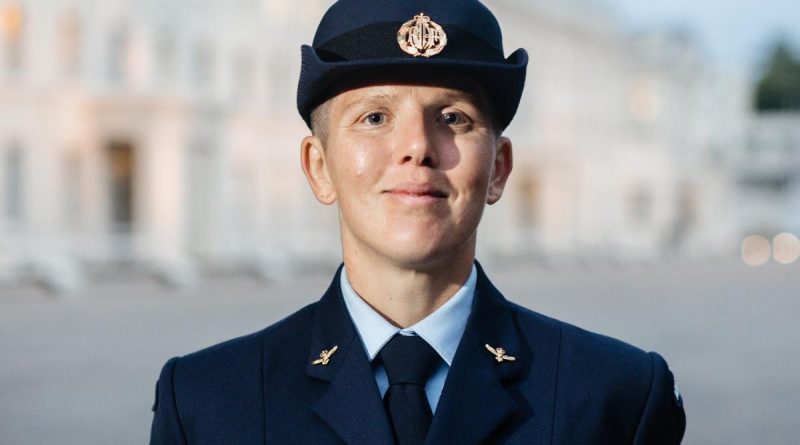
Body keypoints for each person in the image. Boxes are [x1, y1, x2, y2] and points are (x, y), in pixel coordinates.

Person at [149, 0, 686, 444]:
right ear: (319, 167)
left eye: (453, 117)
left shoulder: (615, 399)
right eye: (375, 117)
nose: (417, 148)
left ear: (498, 169)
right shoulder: (208, 403)